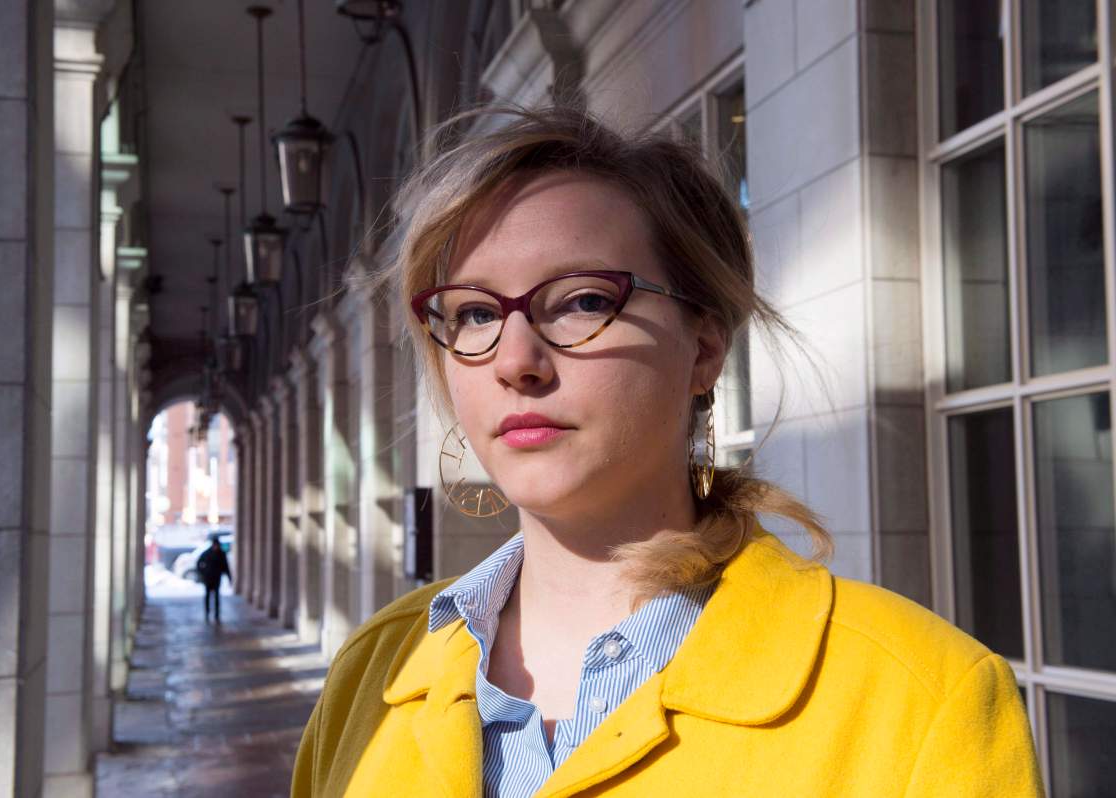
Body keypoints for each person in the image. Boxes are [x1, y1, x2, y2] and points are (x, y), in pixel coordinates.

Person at [290, 103, 1045, 797]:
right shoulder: (373, 670)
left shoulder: (922, 697)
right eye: (475, 313)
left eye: (584, 300)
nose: (516, 360)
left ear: (704, 347)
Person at [196, 536, 231, 624]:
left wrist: (229, 577)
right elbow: (199, 563)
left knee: (216, 596)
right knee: (207, 595)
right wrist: (202, 573)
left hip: (217, 578)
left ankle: (217, 614)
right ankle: (207, 612)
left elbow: (226, 566)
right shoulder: (207, 553)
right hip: (208, 578)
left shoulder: (221, 554)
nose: (216, 547)